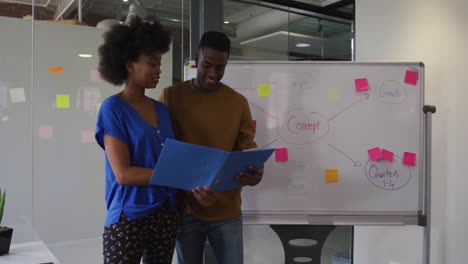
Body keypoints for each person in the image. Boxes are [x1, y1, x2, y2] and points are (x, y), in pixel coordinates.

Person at [158, 31, 264, 264]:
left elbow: (247, 147)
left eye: (220, 67)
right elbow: (162, 153)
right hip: (186, 210)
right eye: (207, 65)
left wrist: (255, 173)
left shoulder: (238, 103)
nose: (213, 73)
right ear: (196, 59)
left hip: (227, 211)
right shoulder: (171, 97)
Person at [95, 16, 178, 264]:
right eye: (152, 64)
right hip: (128, 215)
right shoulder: (113, 109)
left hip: (165, 212)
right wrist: (173, 174)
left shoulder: (162, 109)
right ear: (130, 65)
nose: (158, 70)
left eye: (159, 64)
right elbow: (123, 174)